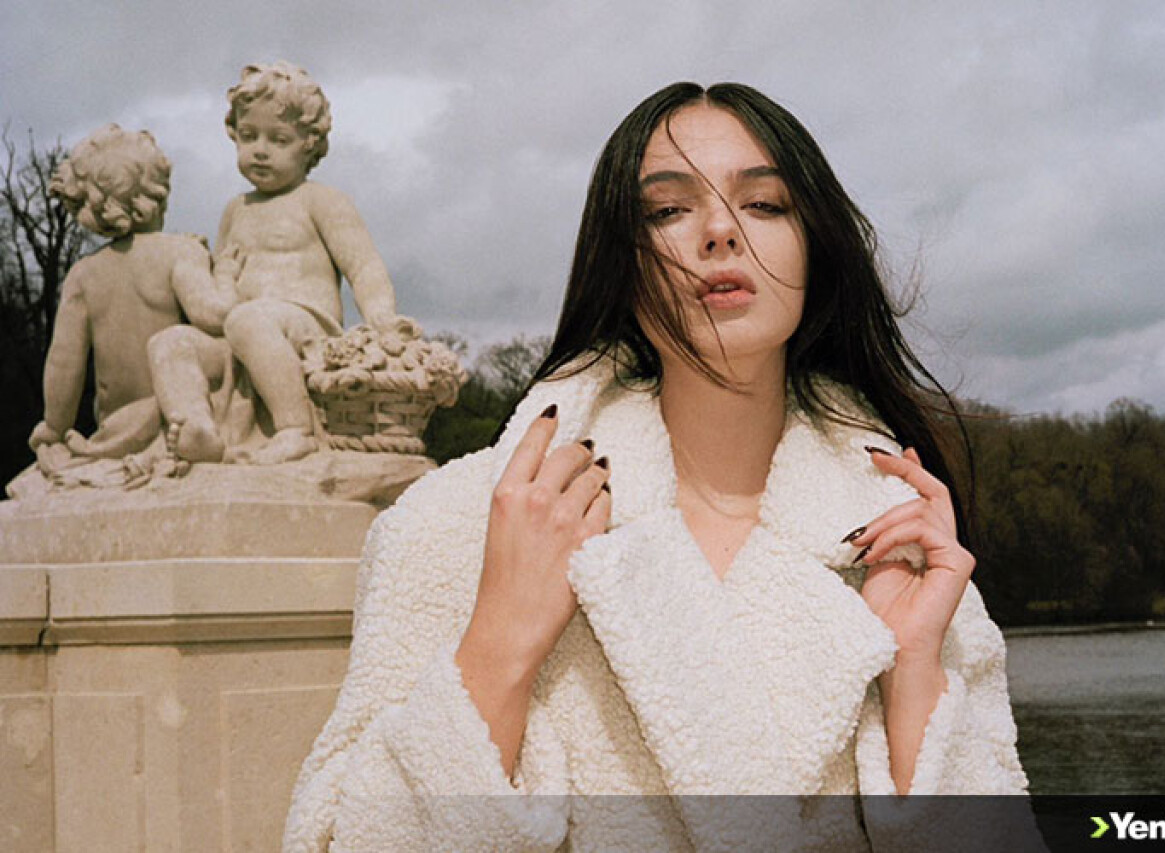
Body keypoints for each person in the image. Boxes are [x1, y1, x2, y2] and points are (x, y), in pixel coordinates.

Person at [285, 82, 1038, 851]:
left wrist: (913, 678)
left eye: (765, 204)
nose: (720, 231)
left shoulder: (902, 545)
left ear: (816, 246)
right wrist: (499, 643)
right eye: (669, 210)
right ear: (621, 262)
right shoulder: (460, 523)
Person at [214, 61, 404, 465]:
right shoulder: (234, 210)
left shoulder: (320, 200)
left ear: (309, 144)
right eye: (248, 136)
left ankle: (296, 428)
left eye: (279, 139)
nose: (260, 149)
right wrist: (222, 282)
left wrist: (382, 319)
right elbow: (221, 276)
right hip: (244, 333)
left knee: (248, 320)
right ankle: (195, 432)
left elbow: (363, 268)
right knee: (173, 343)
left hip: (309, 329)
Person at [29, 124, 236, 483]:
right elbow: (214, 316)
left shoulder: (82, 274)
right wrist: (226, 274)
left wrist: (53, 427)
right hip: (170, 418)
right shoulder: (180, 251)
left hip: (116, 428)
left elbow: (64, 364)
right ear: (155, 195)